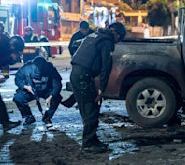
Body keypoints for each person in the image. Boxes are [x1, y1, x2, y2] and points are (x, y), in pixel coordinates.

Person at [70, 22, 126, 153]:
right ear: (116, 34)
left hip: (76, 74)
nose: (118, 42)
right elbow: (105, 67)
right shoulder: (106, 41)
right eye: (119, 38)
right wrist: (102, 88)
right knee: (91, 109)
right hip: (83, 77)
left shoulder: (94, 35)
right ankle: (89, 144)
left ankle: (92, 139)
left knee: (87, 110)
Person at [13, 56, 62, 126]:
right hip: (30, 90)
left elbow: (57, 85)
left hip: (46, 91)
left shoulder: (50, 69)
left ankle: (47, 117)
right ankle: (28, 117)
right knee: (18, 98)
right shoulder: (26, 68)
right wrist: (25, 86)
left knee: (57, 98)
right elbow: (17, 79)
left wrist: (51, 96)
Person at [0, 35, 24, 130]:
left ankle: (4, 120)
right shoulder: (3, 46)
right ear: (12, 47)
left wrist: (5, 75)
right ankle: (5, 122)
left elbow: (4, 64)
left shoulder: (5, 46)